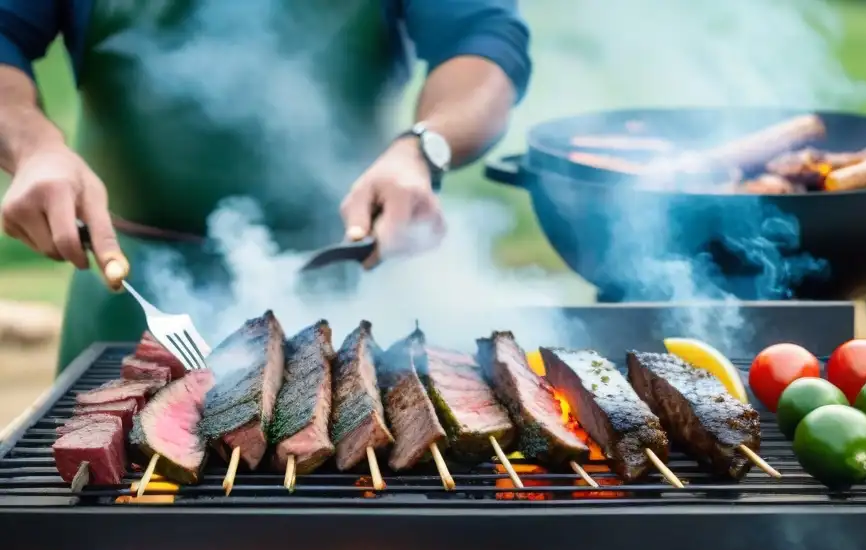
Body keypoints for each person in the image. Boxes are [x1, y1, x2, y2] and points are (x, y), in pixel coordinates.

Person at [0, 1, 531, 371]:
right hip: (129, 295)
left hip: (345, 284)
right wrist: (32, 147)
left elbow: (483, 42)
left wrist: (423, 147)